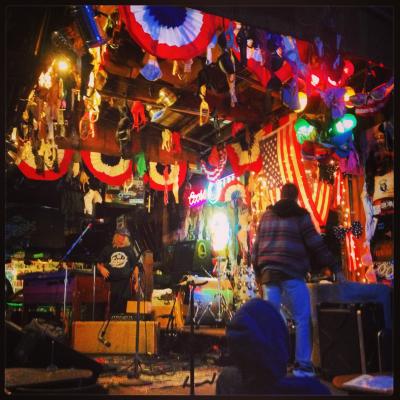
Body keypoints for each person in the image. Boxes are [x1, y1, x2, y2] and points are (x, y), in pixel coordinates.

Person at [251, 182, 345, 378]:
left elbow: (256, 247)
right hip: (292, 272)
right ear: (296, 197)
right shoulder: (301, 215)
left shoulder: (267, 216)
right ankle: (303, 366)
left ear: (281, 195)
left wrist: (258, 273)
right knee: (302, 318)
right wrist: (334, 266)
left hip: (269, 273)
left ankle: (272, 363)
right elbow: (316, 244)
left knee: (272, 318)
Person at [216, 298, 331, 395]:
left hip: (268, 276)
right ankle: (303, 366)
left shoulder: (225, 382)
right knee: (302, 316)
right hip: (290, 276)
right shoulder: (315, 390)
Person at [97, 227, 139, 315]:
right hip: (111, 284)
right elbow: (98, 262)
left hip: (125, 285)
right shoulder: (108, 249)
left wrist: (136, 282)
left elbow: (135, 266)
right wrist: (101, 269)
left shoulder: (129, 250)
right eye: (121, 235)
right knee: (112, 310)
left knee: (125, 310)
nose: (123, 238)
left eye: (125, 236)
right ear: (116, 236)